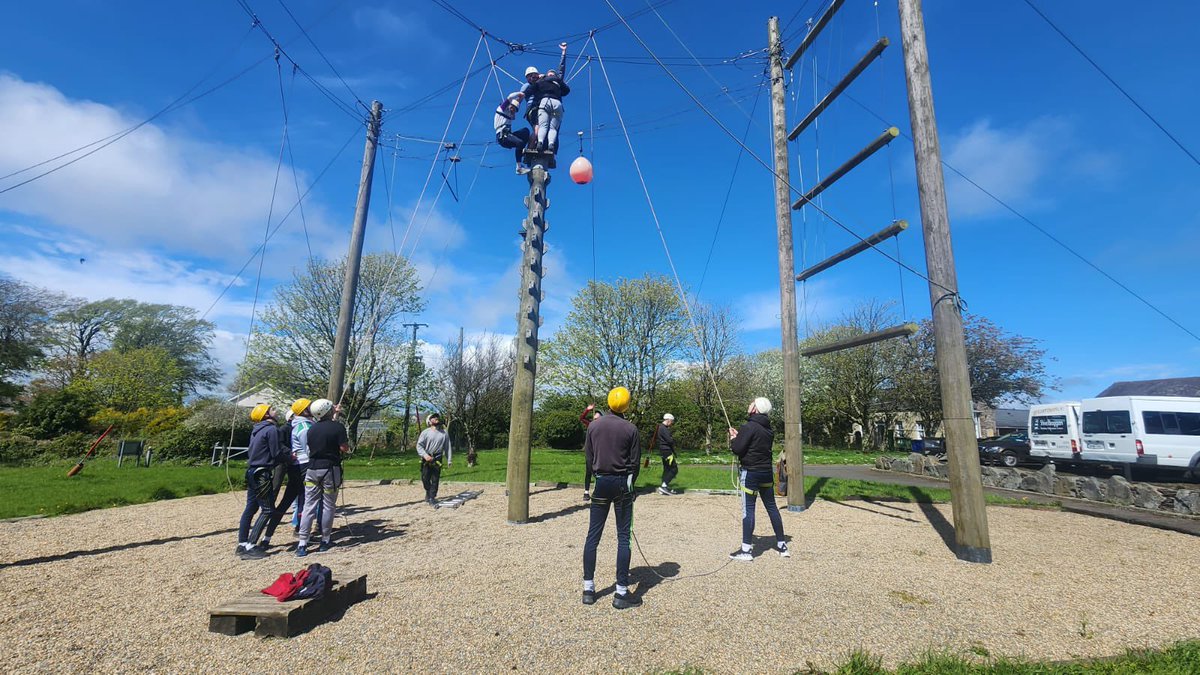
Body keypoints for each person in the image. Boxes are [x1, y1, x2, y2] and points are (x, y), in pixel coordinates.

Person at [581, 386, 643, 610]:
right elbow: (635, 463)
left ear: (608, 402)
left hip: (601, 483)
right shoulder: (631, 429)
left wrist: (597, 475)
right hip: (622, 484)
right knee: (623, 537)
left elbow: (589, 458)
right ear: (627, 405)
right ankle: (621, 593)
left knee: (593, 535)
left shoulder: (594, 426)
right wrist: (631, 484)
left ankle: (588, 588)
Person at [727, 397, 789, 561]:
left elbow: (738, 449)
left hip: (751, 474)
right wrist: (740, 436)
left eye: (751, 403)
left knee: (749, 510)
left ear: (755, 409)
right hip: (766, 473)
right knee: (772, 508)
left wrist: (734, 439)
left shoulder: (749, 426)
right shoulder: (768, 429)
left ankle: (746, 551)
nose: (749, 404)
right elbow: (754, 443)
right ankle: (782, 545)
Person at [296, 398, 349, 557]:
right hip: (329, 469)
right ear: (328, 410)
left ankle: (302, 543)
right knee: (328, 505)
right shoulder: (338, 428)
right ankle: (325, 540)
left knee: (308, 505)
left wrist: (335, 415)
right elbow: (344, 448)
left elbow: (325, 431)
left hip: (312, 469)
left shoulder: (312, 428)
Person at [237, 404, 288, 560]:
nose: (275, 411)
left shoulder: (257, 429)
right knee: (267, 510)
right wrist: (291, 457)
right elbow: (276, 452)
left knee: (250, 508)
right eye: (272, 409)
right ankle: (251, 545)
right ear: (266, 415)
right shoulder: (271, 430)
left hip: (252, 471)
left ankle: (242, 543)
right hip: (262, 473)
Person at [262, 398, 313, 548]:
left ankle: (267, 538)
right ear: (303, 411)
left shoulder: (297, 425)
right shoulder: (302, 426)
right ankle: (302, 536)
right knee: (303, 501)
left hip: (295, 465)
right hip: (302, 465)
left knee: (288, 501)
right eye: (309, 407)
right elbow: (308, 448)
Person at [527, 43, 571, 154]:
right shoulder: (553, 81)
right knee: (551, 127)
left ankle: (543, 144)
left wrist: (564, 53)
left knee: (545, 126)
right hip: (554, 104)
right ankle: (548, 145)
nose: (551, 75)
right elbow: (561, 71)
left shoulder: (544, 80)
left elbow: (561, 69)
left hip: (546, 103)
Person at [494, 91, 532, 175]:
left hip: (508, 135)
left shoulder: (510, 114)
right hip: (502, 137)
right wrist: (520, 93)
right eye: (512, 108)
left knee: (525, 131)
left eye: (515, 110)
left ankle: (522, 150)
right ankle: (519, 168)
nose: (513, 110)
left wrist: (520, 99)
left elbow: (516, 102)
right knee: (520, 142)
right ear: (509, 106)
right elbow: (510, 97)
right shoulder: (501, 109)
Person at [417, 412, 450, 505]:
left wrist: (449, 459)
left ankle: (432, 497)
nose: (436, 418)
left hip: (437, 458)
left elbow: (447, 447)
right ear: (429, 422)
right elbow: (419, 446)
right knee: (425, 478)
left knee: (435, 479)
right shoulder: (425, 433)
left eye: (437, 417)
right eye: (433, 417)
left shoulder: (444, 433)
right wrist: (425, 455)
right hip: (426, 458)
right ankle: (428, 491)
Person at [579, 403, 600, 501]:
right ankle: (586, 492)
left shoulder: (602, 427)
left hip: (599, 451)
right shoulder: (590, 424)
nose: (595, 415)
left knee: (598, 472)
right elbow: (582, 418)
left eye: (598, 414)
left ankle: (598, 490)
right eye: (595, 414)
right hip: (589, 451)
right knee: (589, 471)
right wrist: (588, 409)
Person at [656, 413, 680, 495]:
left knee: (667, 469)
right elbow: (669, 440)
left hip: (664, 451)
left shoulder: (661, 428)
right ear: (668, 420)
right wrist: (672, 440)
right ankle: (664, 485)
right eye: (672, 422)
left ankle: (664, 487)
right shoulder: (663, 429)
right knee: (674, 469)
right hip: (667, 452)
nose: (672, 423)